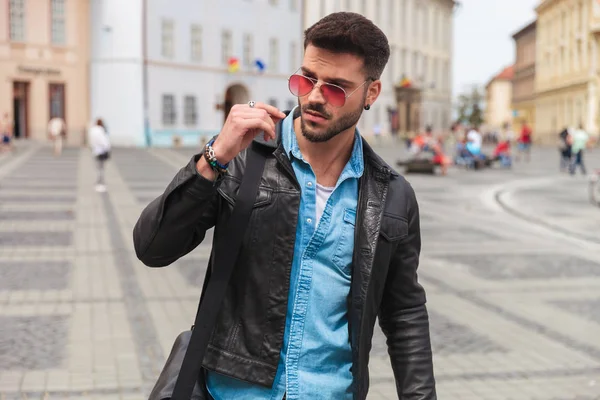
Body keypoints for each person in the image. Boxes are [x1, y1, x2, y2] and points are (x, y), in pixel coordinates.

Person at [133, 12, 435, 400]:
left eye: (336, 89)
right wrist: (214, 158)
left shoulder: (391, 195)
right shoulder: (243, 159)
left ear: (371, 93)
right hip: (232, 392)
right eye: (307, 79)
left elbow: (405, 313)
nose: (314, 96)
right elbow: (152, 248)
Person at [88, 118, 111, 192]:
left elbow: (91, 141)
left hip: (95, 150)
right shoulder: (100, 130)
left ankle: (98, 182)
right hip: (101, 150)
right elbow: (104, 141)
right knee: (101, 168)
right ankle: (100, 183)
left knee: (97, 167)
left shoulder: (92, 130)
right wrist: (107, 148)